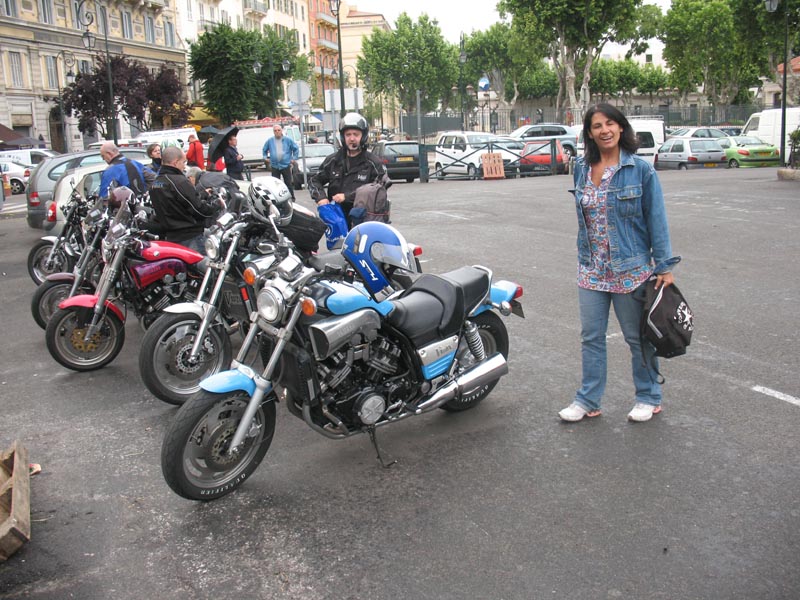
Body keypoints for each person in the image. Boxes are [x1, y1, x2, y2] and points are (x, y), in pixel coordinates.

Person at [559, 103, 680, 424]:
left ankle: (648, 396)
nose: (605, 130)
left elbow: (656, 219)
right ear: (589, 133)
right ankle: (588, 399)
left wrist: (664, 266)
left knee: (637, 338)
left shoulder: (640, 170)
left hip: (630, 269)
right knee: (591, 337)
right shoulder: (582, 168)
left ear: (621, 127)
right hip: (591, 269)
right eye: (597, 126)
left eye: (610, 123)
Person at [309, 112, 387, 227]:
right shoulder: (333, 160)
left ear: (363, 136)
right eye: (348, 134)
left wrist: (347, 197)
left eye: (356, 134)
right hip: (337, 219)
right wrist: (321, 198)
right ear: (343, 137)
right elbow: (314, 180)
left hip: (363, 219)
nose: (352, 138)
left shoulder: (372, 163)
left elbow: (380, 187)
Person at [149, 146, 222, 253]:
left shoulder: (155, 183)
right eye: (183, 162)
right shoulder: (179, 181)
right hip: (190, 237)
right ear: (175, 162)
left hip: (171, 238)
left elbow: (179, 201)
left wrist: (202, 194)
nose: (184, 166)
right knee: (204, 262)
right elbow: (198, 209)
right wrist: (217, 204)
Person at [262, 124, 299, 199]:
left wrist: (294, 158)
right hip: (275, 165)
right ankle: (278, 198)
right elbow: (264, 150)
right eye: (275, 131)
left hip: (285, 165)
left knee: (288, 183)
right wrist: (265, 157)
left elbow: (296, 148)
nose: (277, 132)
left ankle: (291, 197)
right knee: (275, 184)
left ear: (281, 131)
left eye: (279, 130)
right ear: (273, 132)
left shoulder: (288, 140)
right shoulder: (270, 141)